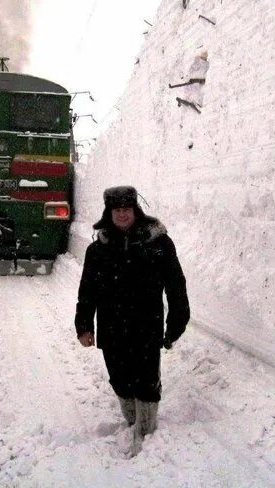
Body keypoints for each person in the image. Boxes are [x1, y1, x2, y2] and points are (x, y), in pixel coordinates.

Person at [75, 185, 190, 451]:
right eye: (117, 210)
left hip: (146, 326)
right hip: (111, 327)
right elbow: (87, 290)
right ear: (109, 212)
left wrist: (176, 322)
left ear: (135, 210)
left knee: (146, 379)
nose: (123, 214)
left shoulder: (158, 244)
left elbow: (176, 285)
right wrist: (83, 325)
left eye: (127, 209)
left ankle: (146, 432)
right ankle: (131, 422)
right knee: (119, 378)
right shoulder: (97, 250)